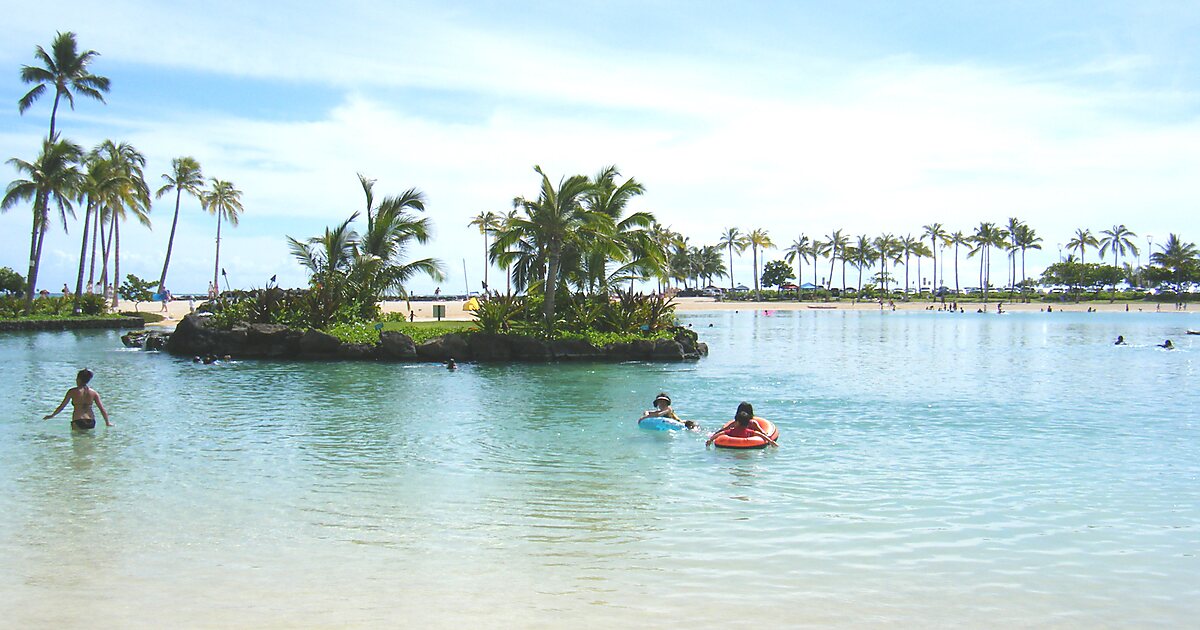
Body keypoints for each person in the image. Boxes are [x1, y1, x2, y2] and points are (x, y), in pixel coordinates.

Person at [44, 368, 111, 430]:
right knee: (89, 441)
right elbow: (102, 409)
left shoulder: (72, 391)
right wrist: (107, 422)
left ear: (79, 379)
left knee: (77, 441)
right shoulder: (94, 393)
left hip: (78, 421)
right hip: (91, 421)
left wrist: (52, 415)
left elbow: (62, 406)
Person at [707, 402, 777, 447]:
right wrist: (769, 440)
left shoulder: (734, 423)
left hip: (734, 440)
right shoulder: (753, 423)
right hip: (749, 440)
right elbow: (760, 432)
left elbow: (723, 431)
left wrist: (712, 438)